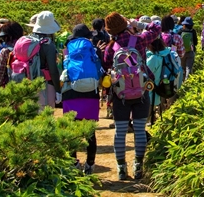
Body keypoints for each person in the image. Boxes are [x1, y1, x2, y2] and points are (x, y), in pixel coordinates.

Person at [105, 12, 155, 181]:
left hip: (120, 95)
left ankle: (121, 169)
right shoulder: (139, 40)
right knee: (140, 130)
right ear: (125, 25)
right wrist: (139, 24)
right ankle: (138, 167)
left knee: (120, 132)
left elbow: (106, 67)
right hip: (141, 92)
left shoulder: (111, 47)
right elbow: (157, 27)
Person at [62, 24, 101, 175]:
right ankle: (90, 165)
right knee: (90, 132)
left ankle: (74, 164)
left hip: (71, 93)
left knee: (71, 131)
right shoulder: (94, 49)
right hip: (91, 93)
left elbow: (64, 70)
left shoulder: (67, 50)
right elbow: (100, 69)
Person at [25, 11, 62, 109]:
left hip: (27, 83)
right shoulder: (48, 45)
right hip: (45, 85)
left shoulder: (28, 40)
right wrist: (58, 90)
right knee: (45, 116)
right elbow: (53, 70)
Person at [147, 37, 181, 118]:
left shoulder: (154, 58)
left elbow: (145, 74)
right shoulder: (169, 53)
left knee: (144, 116)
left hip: (152, 91)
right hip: (163, 86)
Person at [0, 21, 24, 87]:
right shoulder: (29, 47)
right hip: (31, 87)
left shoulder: (5, 51)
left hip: (11, 88)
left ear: (9, 37)